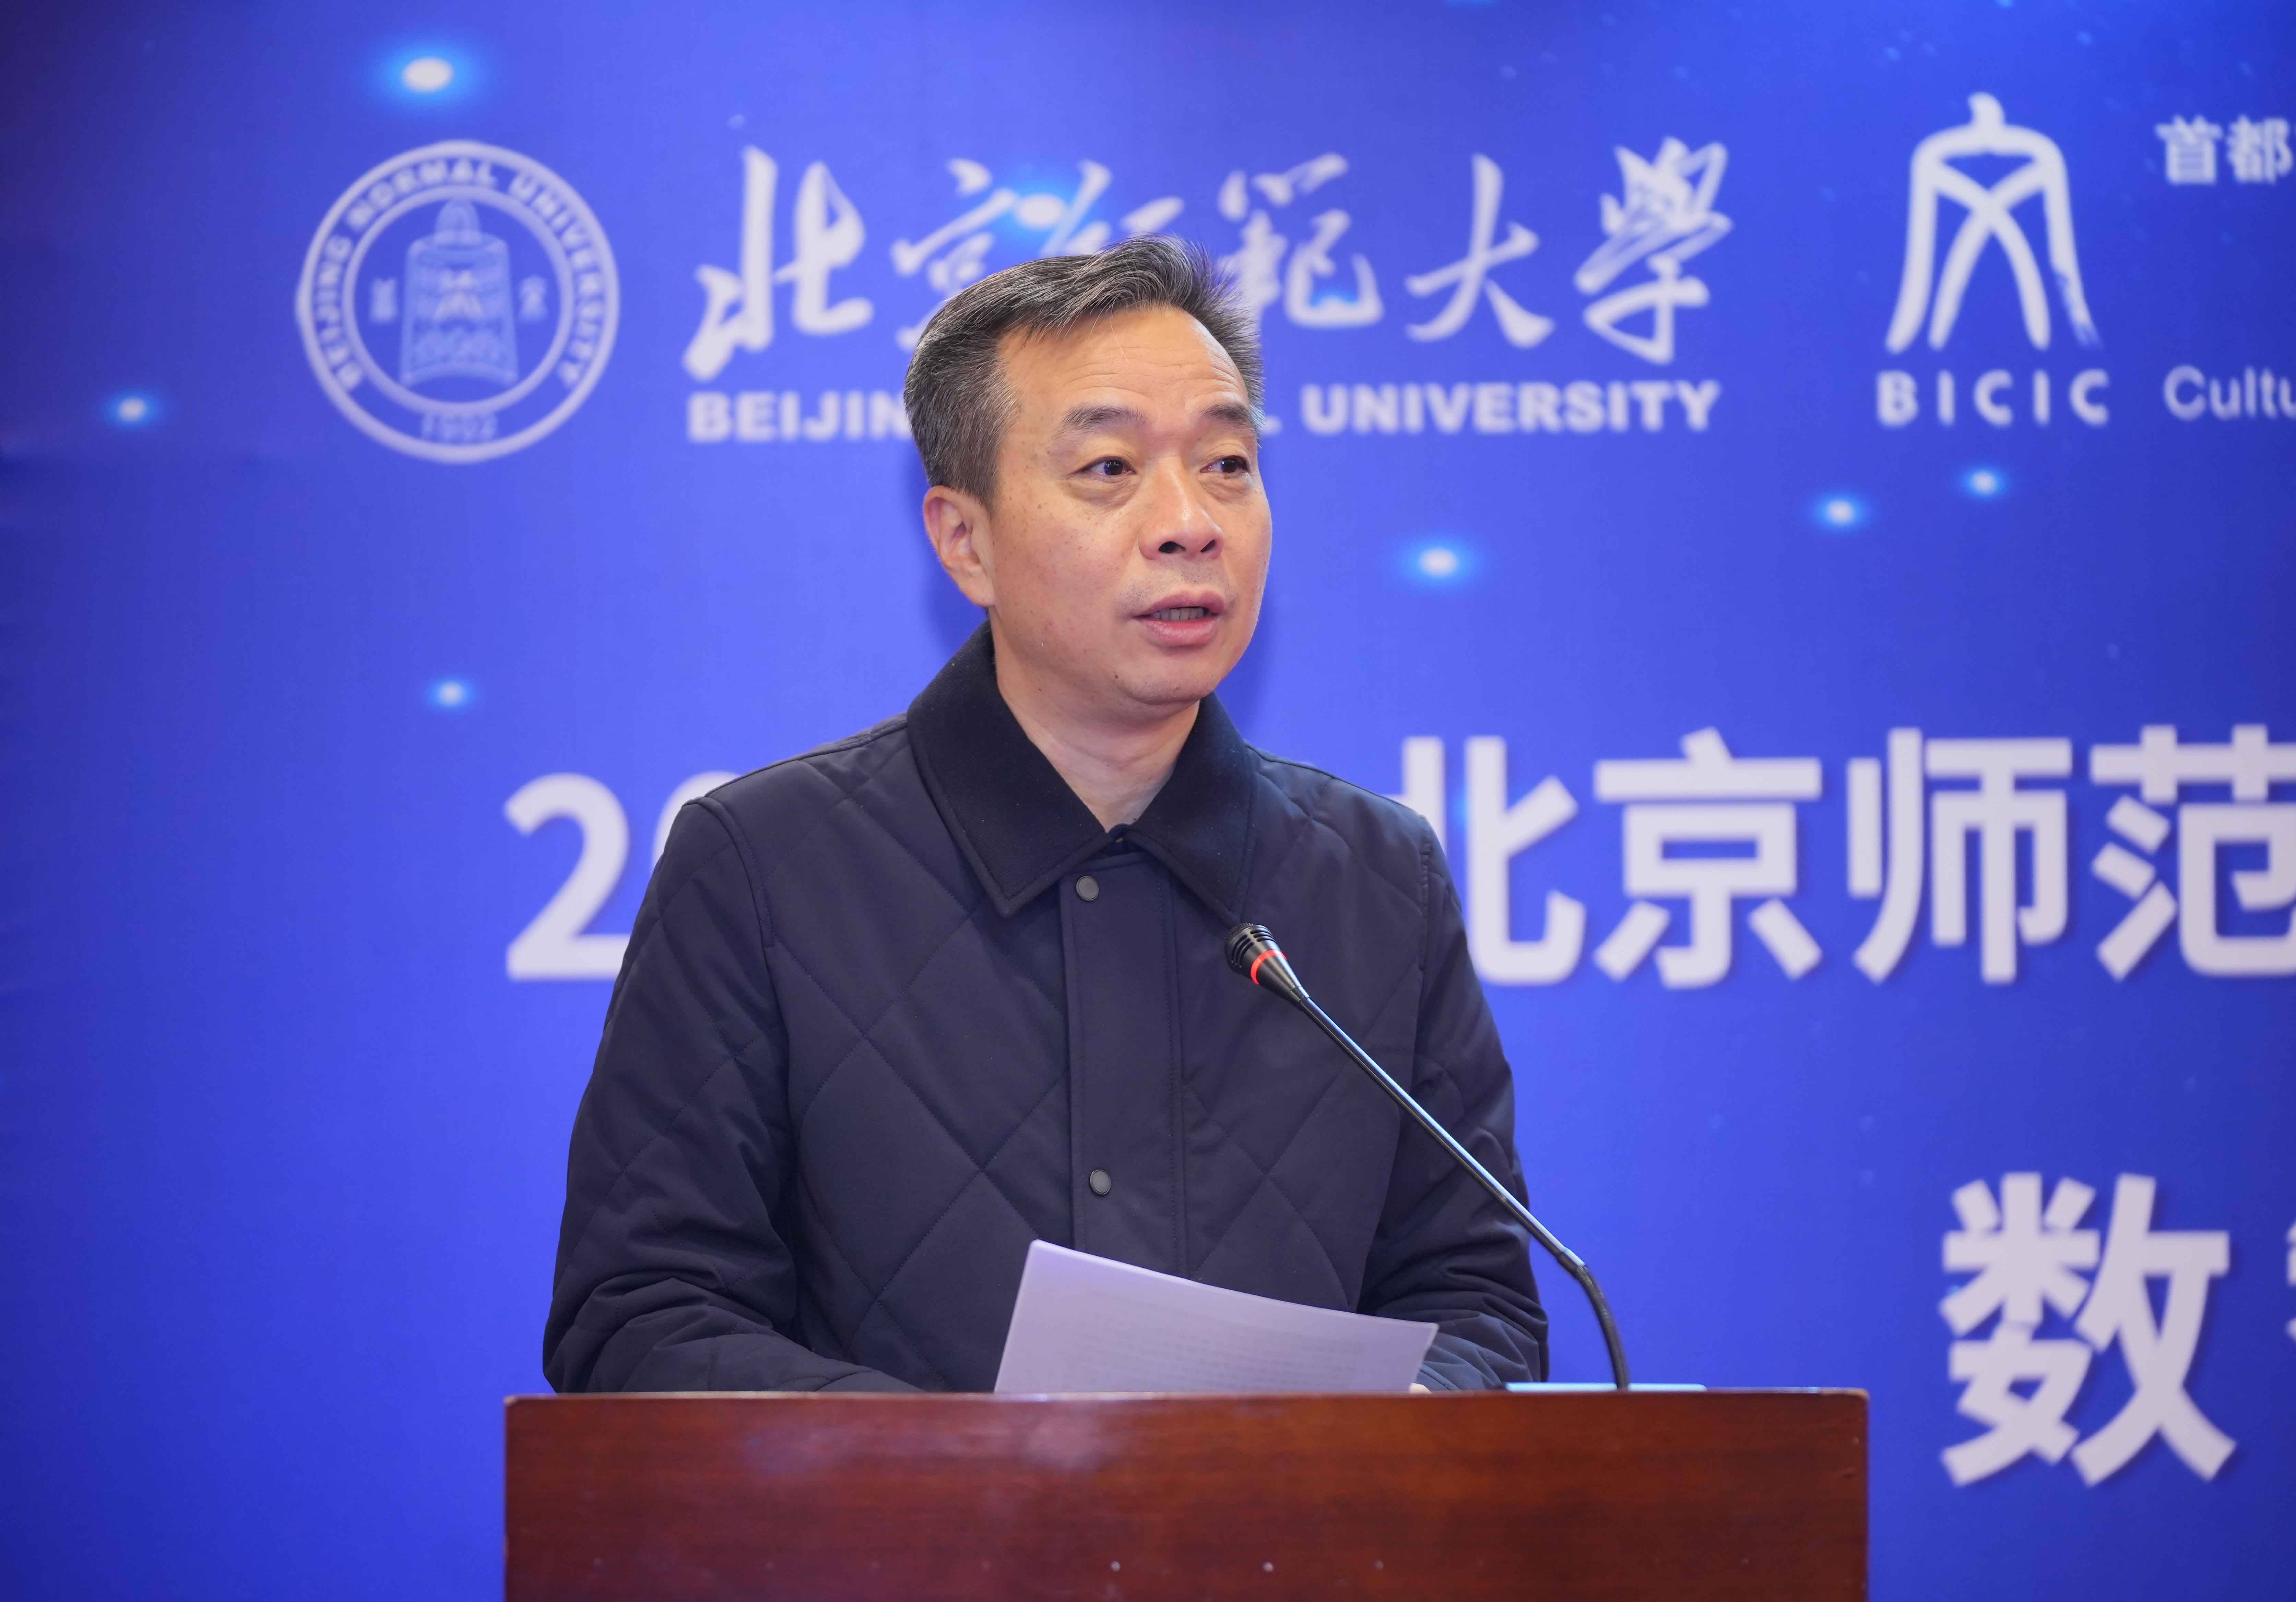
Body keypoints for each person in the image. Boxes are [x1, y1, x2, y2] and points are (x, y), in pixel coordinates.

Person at [543, 236, 1545, 1394]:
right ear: (964, 541)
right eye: (1110, 468)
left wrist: (1381, 1430)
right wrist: (973, 1473)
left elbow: (1477, 1304)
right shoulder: (767, 869)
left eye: (1227, 463)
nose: (1190, 521)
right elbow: (644, 1316)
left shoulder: (1375, 878)